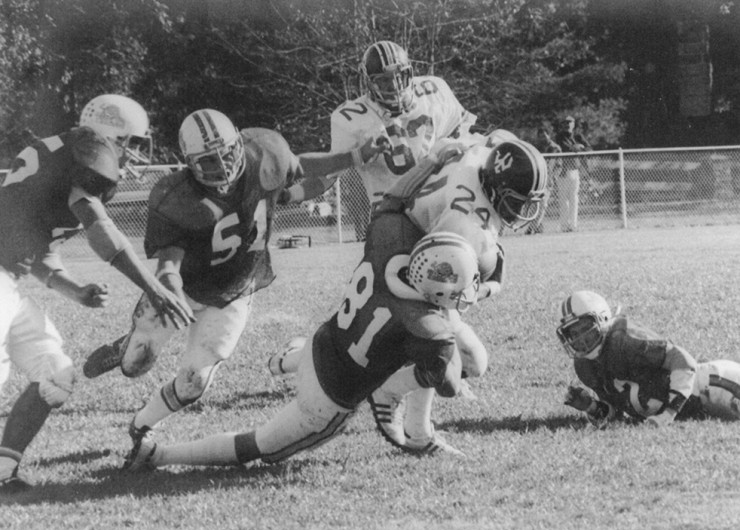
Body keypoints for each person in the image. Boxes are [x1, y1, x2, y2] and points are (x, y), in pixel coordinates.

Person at [81, 109, 385, 469]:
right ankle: (124, 347)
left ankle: (141, 426)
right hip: (185, 290)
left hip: (235, 289)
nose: (222, 167)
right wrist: (170, 289)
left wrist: (353, 157)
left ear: (239, 143)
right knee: (135, 365)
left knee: (194, 383)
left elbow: (300, 167)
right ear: (189, 164)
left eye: (227, 154)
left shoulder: (265, 153)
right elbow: (168, 264)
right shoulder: (177, 197)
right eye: (208, 161)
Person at [123, 226, 483, 472]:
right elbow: (448, 385)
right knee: (258, 446)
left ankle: (286, 360)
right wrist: (448, 334)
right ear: (438, 287)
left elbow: (393, 203)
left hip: (321, 345)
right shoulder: (429, 327)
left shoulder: (388, 248)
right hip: (327, 400)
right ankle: (158, 455)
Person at [270, 134, 548, 450]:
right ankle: (403, 413)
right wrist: (489, 286)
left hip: (403, 237)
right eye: (516, 201)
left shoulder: (478, 159)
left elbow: (479, 141)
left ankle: (292, 358)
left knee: (367, 337)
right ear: (495, 188)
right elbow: (447, 290)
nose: (522, 210)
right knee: (452, 355)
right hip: (415, 265)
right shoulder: (468, 226)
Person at [0, 94, 195, 492]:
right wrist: (152, 286)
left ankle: (2, 472)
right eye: (132, 141)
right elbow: (100, 229)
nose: (134, 153)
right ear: (110, 133)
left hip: (7, 279)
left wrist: (75, 290)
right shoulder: (85, 154)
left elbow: (32, 252)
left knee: (55, 373)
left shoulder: (62, 155)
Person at [278, 40, 477, 240]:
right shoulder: (351, 117)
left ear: (410, 72)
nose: (394, 85)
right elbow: (325, 176)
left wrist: (451, 150)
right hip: (392, 214)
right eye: (383, 80)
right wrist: (289, 194)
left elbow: (464, 131)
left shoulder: (434, 90)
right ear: (369, 82)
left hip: (439, 205)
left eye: (400, 76)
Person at [557, 290, 740, 427]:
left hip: (713, 387)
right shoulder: (584, 366)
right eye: (573, 333)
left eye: (585, 328)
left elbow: (684, 362)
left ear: (603, 319)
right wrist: (590, 406)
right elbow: (618, 415)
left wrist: (668, 414)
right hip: (691, 410)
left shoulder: (624, 340)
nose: (580, 338)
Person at [553, 116, 591, 232]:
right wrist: (577, 147)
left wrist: (580, 148)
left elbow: (589, 148)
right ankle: (564, 225)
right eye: (565, 123)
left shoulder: (578, 136)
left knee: (574, 198)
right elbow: (566, 149)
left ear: (574, 124)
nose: (568, 125)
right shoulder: (559, 137)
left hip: (575, 169)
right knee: (564, 200)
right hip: (563, 171)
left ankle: (573, 225)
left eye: (570, 122)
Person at [525, 127, 561, 235]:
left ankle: (532, 228)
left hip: (548, 180)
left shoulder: (555, 148)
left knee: (543, 204)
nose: (542, 138)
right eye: (540, 136)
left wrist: (554, 177)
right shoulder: (535, 148)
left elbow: (559, 165)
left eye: (544, 135)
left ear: (549, 135)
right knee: (533, 205)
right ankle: (537, 226)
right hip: (537, 180)